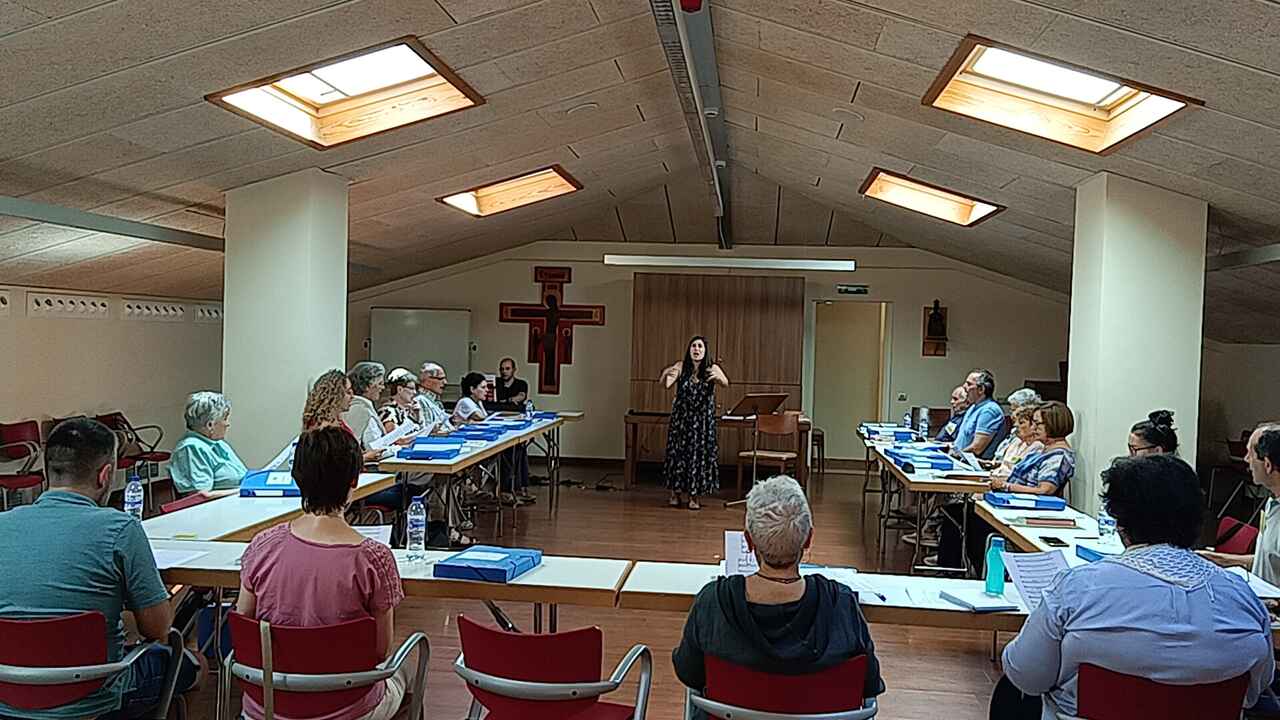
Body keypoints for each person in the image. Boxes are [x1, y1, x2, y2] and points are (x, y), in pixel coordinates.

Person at [992, 455, 1273, 720]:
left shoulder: (1077, 588)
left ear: (1120, 524)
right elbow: (1255, 689)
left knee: (1012, 695)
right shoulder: (1242, 597)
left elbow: (1025, 674)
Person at [0, 418, 205, 720]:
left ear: (46, 472)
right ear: (105, 475)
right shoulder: (121, 528)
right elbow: (158, 629)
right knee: (193, 665)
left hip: (8, 695)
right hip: (95, 697)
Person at [235, 427, 412, 720]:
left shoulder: (262, 545)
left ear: (297, 478)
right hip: (346, 705)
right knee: (405, 668)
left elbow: (244, 626)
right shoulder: (374, 558)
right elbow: (380, 651)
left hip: (268, 703)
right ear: (354, 480)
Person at [672, 476, 884, 718]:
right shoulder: (842, 605)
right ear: (808, 539)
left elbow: (689, 673)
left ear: (748, 541)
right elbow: (870, 684)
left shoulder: (713, 602)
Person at [938, 402, 1076, 571]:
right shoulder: (1044, 450)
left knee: (964, 517)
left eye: (1038, 424)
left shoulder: (1058, 455)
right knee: (956, 513)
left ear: (1054, 424)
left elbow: (1044, 490)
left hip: (1023, 510)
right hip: (1010, 502)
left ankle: (958, 571)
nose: (1033, 428)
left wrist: (1005, 486)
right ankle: (953, 569)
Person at [1200, 425, 1280, 584]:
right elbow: (1269, 563)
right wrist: (1219, 559)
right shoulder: (1272, 502)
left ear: (1267, 464)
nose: (1246, 459)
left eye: (1250, 454)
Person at [661, 336, 729, 510]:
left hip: (702, 423)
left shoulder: (712, 368)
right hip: (682, 420)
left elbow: (725, 383)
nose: (696, 349)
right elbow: (667, 384)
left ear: (705, 350)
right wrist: (667, 373)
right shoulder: (680, 366)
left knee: (697, 456)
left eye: (700, 346)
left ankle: (694, 496)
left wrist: (718, 378)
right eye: (693, 346)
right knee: (678, 455)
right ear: (689, 349)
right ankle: (675, 493)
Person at [170, 391, 248, 494]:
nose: (227, 424)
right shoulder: (191, 448)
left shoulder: (219, 443)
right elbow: (201, 495)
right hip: (224, 503)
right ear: (210, 425)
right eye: (225, 419)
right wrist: (242, 491)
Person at [985, 399, 1044, 480]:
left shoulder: (1038, 447)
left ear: (1033, 425)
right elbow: (1004, 465)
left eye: (1021, 422)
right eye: (1015, 422)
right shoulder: (1015, 441)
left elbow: (1021, 475)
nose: (1016, 425)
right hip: (995, 477)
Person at [953, 369, 1005, 459]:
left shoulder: (989, 410)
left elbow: (977, 448)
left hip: (972, 464)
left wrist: (954, 454)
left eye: (969, 384)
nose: (964, 387)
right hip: (959, 459)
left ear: (981, 389)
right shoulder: (973, 407)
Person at [345, 361, 388, 451]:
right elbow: (352, 448)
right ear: (367, 386)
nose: (383, 388)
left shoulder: (364, 406)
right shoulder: (358, 409)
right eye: (380, 384)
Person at [416, 362, 455, 434]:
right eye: (440, 379)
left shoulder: (435, 400)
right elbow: (427, 432)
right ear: (428, 381)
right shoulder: (420, 401)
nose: (445, 382)